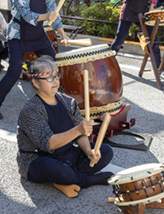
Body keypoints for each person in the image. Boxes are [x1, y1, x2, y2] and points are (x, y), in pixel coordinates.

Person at [17, 55, 114, 197]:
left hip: (67, 155)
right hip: (38, 159)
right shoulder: (31, 110)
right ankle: (85, 180)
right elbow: (48, 144)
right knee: (54, 168)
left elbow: (80, 134)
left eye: (56, 76)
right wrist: (78, 129)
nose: (55, 81)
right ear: (36, 83)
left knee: (105, 151)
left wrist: (88, 152)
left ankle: (66, 179)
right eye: (49, 78)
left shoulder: (68, 102)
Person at [0, 0, 70, 120]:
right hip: (18, 34)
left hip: (37, 34)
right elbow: (27, 16)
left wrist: (63, 34)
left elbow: (53, 15)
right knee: (14, 71)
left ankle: (57, 102)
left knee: (54, 65)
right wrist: (48, 15)